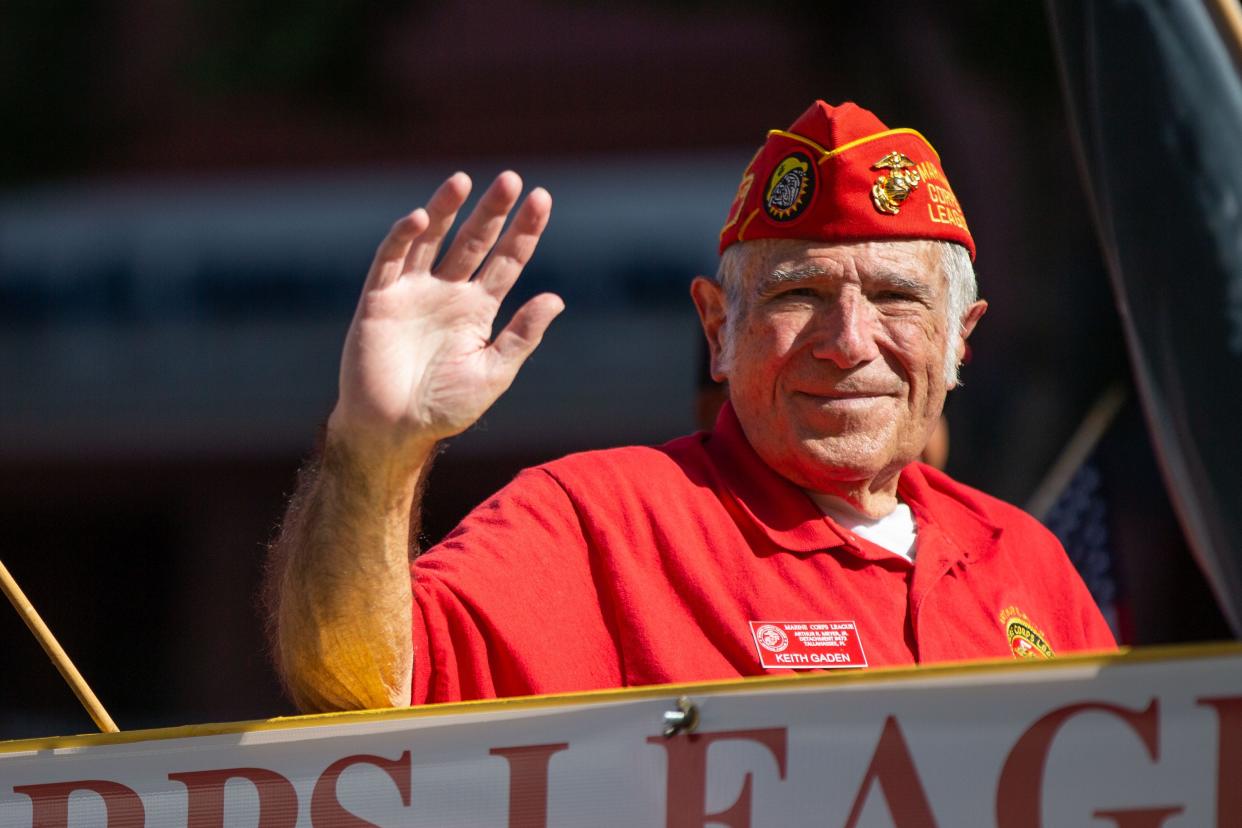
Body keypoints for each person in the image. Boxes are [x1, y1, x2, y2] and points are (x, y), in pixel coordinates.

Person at [265, 101, 1116, 714]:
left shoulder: (1025, 561)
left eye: (897, 298)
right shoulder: (601, 522)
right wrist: (374, 450)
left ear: (962, 340)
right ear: (718, 327)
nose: (849, 340)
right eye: (800, 294)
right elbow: (360, 686)